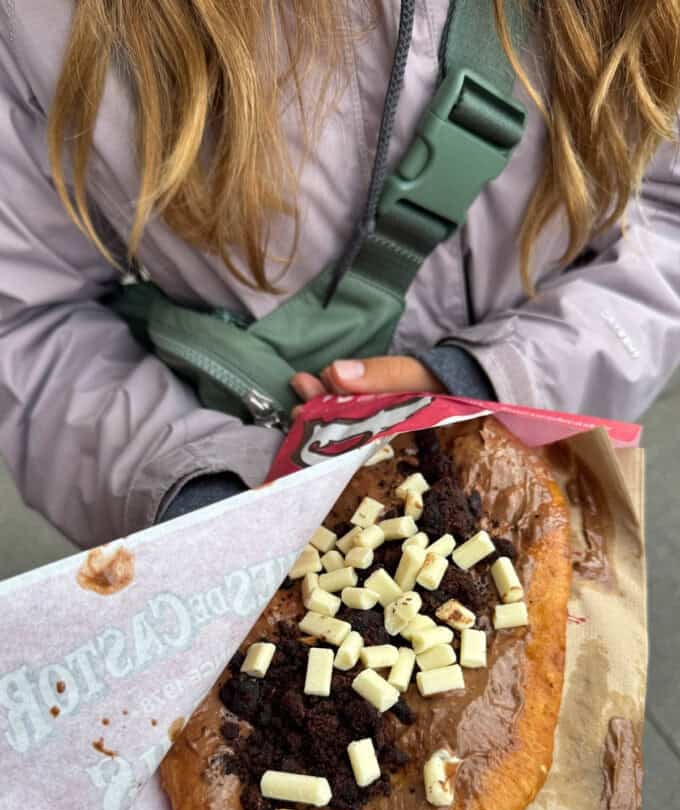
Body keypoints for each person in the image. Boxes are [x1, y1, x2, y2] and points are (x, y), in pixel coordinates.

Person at [0, 0, 678, 543]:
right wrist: (199, 500)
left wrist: (492, 382)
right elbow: (25, 319)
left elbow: (665, 212)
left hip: (530, 476)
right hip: (236, 484)